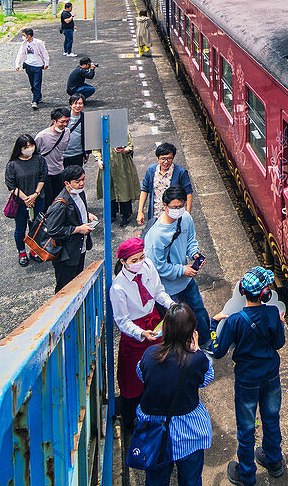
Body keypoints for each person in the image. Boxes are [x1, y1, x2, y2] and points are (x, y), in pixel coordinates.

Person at [213, 267, 287, 485]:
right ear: (265, 293)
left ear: (242, 291)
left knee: (246, 427)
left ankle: (246, 473)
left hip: (247, 381)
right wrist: (279, 327)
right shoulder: (273, 313)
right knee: (271, 418)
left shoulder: (234, 321)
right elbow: (279, 344)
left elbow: (217, 351)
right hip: (271, 375)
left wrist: (214, 323)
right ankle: (274, 461)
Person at [135, 302, 212, 486]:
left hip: (154, 432)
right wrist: (197, 349)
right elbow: (207, 378)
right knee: (190, 480)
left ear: (166, 329)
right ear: (191, 331)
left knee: (155, 480)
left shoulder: (150, 353)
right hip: (189, 434)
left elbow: (141, 373)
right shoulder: (196, 360)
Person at [109, 237, 173, 432]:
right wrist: (140, 333)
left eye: (141, 257)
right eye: (134, 260)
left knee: (159, 370)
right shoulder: (118, 287)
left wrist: (171, 305)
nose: (140, 262)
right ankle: (130, 421)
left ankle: (156, 410)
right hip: (135, 335)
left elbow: (158, 291)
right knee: (132, 379)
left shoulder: (149, 266)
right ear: (123, 262)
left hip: (154, 323)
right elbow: (122, 321)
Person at [143, 187, 210, 349]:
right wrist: (183, 270)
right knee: (175, 324)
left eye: (181, 206)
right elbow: (158, 267)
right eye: (174, 207)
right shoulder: (155, 236)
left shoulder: (185, 218)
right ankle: (179, 351)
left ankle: (205, 344)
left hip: (186, 282)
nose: (178, 210)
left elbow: (190, 240)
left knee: (199, 312)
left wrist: (194, 254)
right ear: (164, 206)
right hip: (168, 289)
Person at [44, 165, 98, 292]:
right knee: (65, 288)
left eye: (83, 179)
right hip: (66, 254)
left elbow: (78, 209)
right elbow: (53, 230)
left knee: (77, 282)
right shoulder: (60, 204)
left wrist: (87, 215)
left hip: (79, 249)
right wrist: (78, 229)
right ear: (67, 183)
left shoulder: (80, 193)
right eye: (77, 181)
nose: (82, 183)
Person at [5, 134, 47, 267]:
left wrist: (35, 194)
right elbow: (11, 185)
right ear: (20, 148)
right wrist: (26, 199)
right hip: (21, 203)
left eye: (31, 146)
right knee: (20, 228)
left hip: (37, 199)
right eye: (26, 147)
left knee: (36, 227)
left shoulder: (39, 160)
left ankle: (34, 250)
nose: (29, 149)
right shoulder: (13, 165)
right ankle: (22, 252)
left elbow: (43, 177)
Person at [137, 143, 193, 227]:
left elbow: (188, 193)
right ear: (157, 158)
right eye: (163, 159)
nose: (166, 162)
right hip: (155, 215)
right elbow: (144, 190)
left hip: (174, 216)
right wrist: (140, 211)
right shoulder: (151, 170)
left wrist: (187, 215)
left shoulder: (181, 172)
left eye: (169, 159)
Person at [95, 131, 142, 226]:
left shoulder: (122, 130)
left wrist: (124, 150)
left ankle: (126, 214)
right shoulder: (101, 131)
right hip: (107, 165)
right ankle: (112, 213)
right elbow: (96, 148)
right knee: (109, 189)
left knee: (124, 189)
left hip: (122, 165)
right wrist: (99, 159)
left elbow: (130, 146)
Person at [35, 108, 71, 206]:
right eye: (62, 122)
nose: (65, 124)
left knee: (59, 200)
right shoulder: (42, 136)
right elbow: (35, 154)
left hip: (59, 170)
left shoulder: (67, 132)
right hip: (46, 173)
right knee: (47, 201)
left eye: (67, 121)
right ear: (54, 121)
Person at [15, 28, 50, 110]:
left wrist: (46, 63)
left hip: (37, 66)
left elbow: (44, 53)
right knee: (32, 84)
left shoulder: (38, 43)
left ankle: (35, 100)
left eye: (24, 35)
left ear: (29, 36)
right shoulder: (24, 44)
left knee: (36, 83)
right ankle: (38, 95)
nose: (22, 37)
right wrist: (17, 64)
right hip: (28, 65)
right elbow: (20, 54)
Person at [62, 94, 88, 170]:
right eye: (75, 103)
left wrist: (87, 152)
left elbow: (88, 135)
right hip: (63, 154)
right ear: (71, 105)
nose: (78, 106)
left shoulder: (85, 118)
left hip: (78, 154)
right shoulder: (63, 117)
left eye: (80, 103)